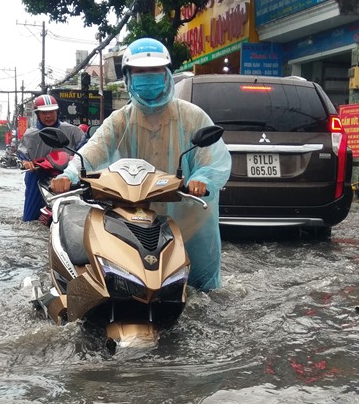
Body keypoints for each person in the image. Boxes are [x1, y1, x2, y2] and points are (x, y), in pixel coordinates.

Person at [50, 37, 231, 291]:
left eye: (154, 72)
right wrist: (69, 174)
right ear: (128, 78)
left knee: (201, 296)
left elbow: (213, 159)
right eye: (140, 73)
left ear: (167, 74)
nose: (148, 78)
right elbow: (92, 150)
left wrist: (202, 179)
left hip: (188, 220)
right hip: (134, 215)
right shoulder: (120, 120)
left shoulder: (192, 116)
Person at [18, 94, 86, 222]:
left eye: (51, 112)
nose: (48, 116)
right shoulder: (30, 134)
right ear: (37, 114)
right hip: (37, 174)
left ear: (57, 112)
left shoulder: (73, 131)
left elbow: (85, 151)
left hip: (67, 174)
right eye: (44, 113)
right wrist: (26, 163)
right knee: (29, 219)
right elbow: (23, 155)